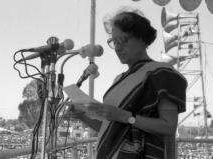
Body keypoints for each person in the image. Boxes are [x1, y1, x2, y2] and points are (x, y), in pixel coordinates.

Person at [66, 8, 187, 159]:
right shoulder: (118, 79)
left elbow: (168, 127)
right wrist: (83, 116)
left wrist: (125, 116)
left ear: (142, 39)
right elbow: (110, 127)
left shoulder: (161, 73)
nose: (117, 47)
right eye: (114, 41)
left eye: (123, 40)